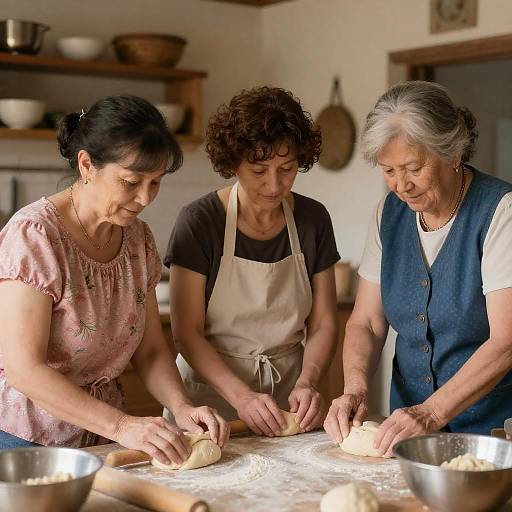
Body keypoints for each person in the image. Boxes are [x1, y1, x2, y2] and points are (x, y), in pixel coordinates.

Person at [0, 95, 229, 462]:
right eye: (131, 181)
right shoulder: (34, 236)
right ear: (87, 165)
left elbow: (151, 349)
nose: (144, 198)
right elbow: (24, 370)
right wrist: (123, 427)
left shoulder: (138, 240)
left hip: (102, 438)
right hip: (28, 441)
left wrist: (182, 406)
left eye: (155, 183)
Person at [324, 81, 512, 456]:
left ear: (453, 152)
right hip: (408, 435)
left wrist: (431, 412)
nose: (401, 186)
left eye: (413, 167)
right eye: (388, 170)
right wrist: (354, 389)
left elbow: (506, 341)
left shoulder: (500, 212)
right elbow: (367, 322)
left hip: (490, 436)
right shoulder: (387, 216)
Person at [165, 86, 340, 436]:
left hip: (289, 398)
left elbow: (323, 322)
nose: (274, 185)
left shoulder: (312, 219)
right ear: (233, 163)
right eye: (259, 170)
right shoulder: (200, 221)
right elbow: (187, 333)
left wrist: (308, 381)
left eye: (287, 168)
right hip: (209, 401)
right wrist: (242, 397)